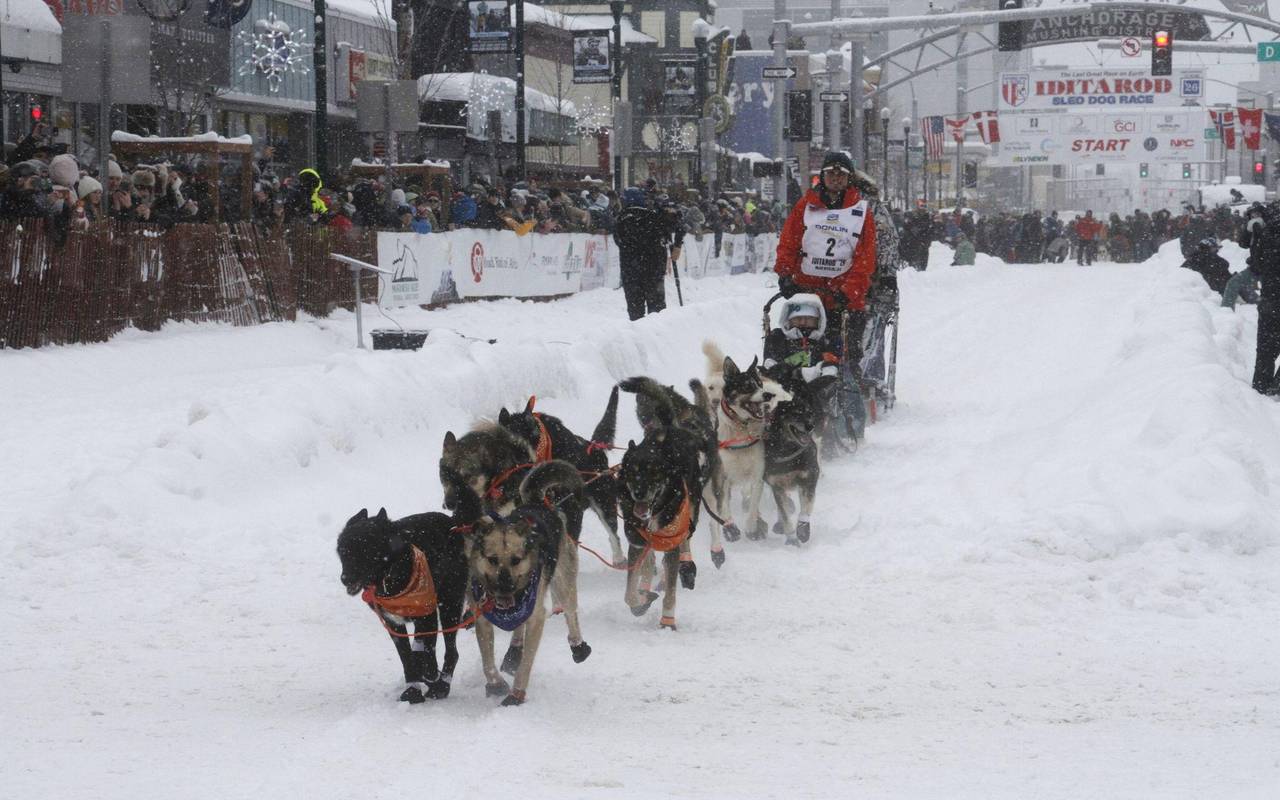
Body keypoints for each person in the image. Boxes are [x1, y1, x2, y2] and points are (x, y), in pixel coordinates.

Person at [774, 151, 879, 438]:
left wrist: (850, 290)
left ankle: (847, 425)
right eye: (831, 172)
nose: (835, 178)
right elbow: (789, 241)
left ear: (848, 178)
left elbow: (865, 257)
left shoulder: (861, 211)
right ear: (823, 175)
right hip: (808, 296)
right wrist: (785, 273)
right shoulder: (806, 206)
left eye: (841, 174)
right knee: (796, 352)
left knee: (843, 357)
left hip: (844, 300)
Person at [613, 186, 682, 320]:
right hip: (654, 271)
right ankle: (657, 336)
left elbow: (619, 241)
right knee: (658, 312)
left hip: (630, 273)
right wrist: (677, 245)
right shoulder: (654, 217)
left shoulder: (620, 219)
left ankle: (638, 337)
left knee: (635, 313)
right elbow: (679, 226)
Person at [1242, 201, 1280, 394]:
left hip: (1271, 297)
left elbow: (1256, 267)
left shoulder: (1266, 234)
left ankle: (1261, 387)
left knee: (1266, 347)